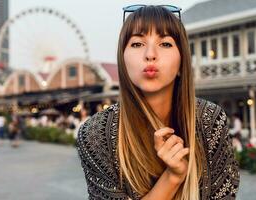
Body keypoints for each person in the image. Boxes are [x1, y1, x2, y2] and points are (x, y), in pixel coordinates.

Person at [77, 5, 240, 200]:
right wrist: (172, 177)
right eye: (137, 44)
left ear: (182, 62)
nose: (150, 54)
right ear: (122, 60)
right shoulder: (95, 133)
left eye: (165, 44)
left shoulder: (210, 119)